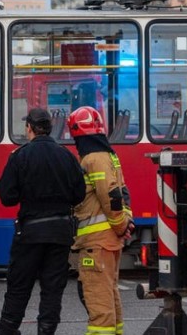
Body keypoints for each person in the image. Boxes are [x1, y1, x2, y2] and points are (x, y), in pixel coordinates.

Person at [0, 107, 86, 335]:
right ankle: (46, 331)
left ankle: (7, 331)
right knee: (52, 289)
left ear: (29, 128)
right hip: (60, 232)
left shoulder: (20, 156)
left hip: (30, 232)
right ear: (49, 128)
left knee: (19, 285)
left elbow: (7, 197)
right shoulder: (67, 156)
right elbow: (79, 195)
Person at [67, 106, 134, 335]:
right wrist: (125, 224)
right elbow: (123, 194)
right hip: (108, 241)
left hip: (96, 243)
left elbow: (112, 196)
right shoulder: (109, 156)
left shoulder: (92, 159)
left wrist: (121, 225)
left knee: (98, 303)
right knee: (109, 297)